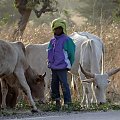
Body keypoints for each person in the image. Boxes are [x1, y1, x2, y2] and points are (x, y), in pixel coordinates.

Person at [47, 18, 76, 110]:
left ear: (63, 29)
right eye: (56, 29)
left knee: (64, 84)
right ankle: (57, 102)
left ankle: (67, 103)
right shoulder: (52, 41)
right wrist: (50, 63)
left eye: (59, 28)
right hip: (53, 67)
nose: (57, 30)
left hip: (63, 67)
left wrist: (69, 64)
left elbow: (71, 54)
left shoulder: (67, 40)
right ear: (53, 29)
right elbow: (49, 53)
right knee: (54, 84)